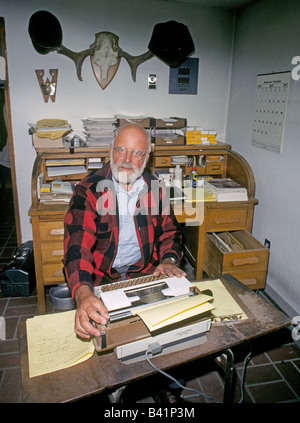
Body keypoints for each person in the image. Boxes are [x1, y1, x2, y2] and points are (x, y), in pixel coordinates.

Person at [64, 123, 186, 340]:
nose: (128, 159)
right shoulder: (89, 190)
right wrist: (83, 293)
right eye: (122, 150)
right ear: (111, 150)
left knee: (163, 332)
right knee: (106, 338)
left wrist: (169, 260)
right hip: (101, 280)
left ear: (147, 158)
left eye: (137, 153)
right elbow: (77, 246)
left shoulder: (156, 187)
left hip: (145, 274)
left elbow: (170, 231)